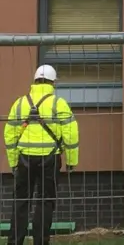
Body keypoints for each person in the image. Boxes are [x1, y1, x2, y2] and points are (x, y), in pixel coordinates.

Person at [3, 64, 79, 245]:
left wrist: (13, 162)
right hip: (50, 159)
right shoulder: (58, 104)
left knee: (21, 202)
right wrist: (71, 161)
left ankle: (14, 242)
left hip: (24, 159)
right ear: (53, 82)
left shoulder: (20, 103)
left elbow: (10, 135)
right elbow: (71, 135)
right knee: (45, 202)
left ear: (35, 80)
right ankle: (41, 241)